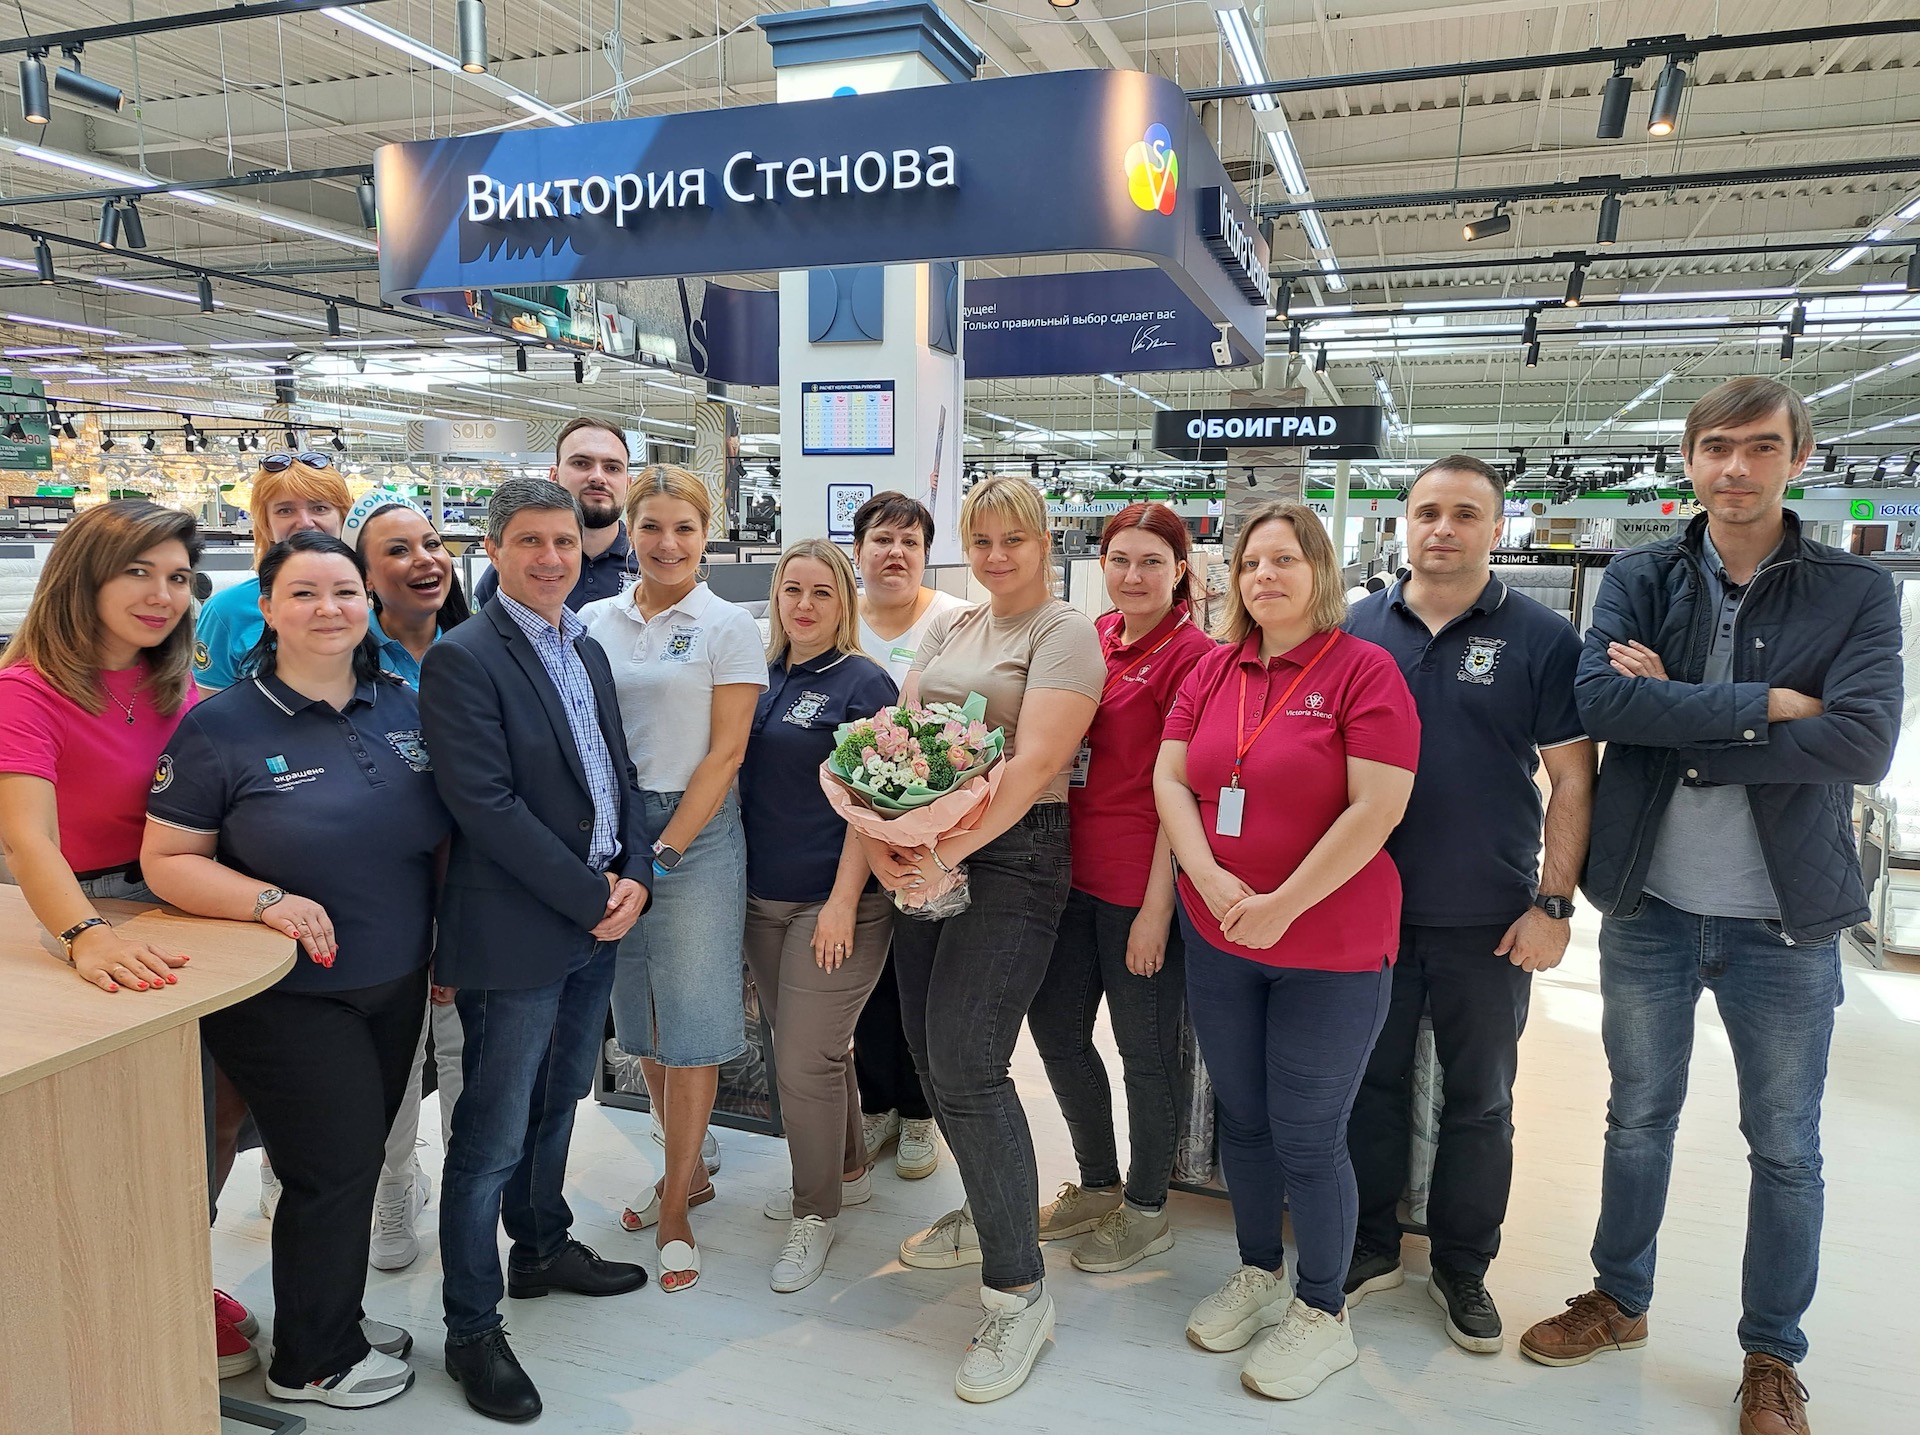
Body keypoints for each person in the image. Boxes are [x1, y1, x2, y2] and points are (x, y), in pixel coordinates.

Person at [1518, 377, 1901, 1435]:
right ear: (1689, 460)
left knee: (1785, 1143)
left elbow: (1863, 740)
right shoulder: (1641, 574)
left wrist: (1677, 715)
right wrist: (1770, 707)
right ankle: (1619, 1298)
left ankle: (1772, 1352)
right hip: (1650, 902)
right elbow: (1603, 701)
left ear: (1798, 459)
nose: (1737, 467)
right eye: (1718, 447)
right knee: (1637, 1116)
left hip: (1785, 917)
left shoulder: (1854, 591)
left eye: (1762, 446)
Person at [142, 530, 451, 1410]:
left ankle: (331, 1316)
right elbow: (167, 858)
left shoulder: (403, 706)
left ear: (368, 605)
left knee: (353, 1160)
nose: (329, 609)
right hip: (286, 992)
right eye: (304, 593)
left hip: (394, 978)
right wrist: (266, 898)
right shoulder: (222, 726)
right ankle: (312, 1361)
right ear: (267, 610)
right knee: (331, 1167)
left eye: (344, 592)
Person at [1153, 501, 1418, 1402]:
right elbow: (1170, 777)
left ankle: (1322, 1309)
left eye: (1285, 559)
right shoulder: (1213, 667)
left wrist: (1283, 904)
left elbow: (1378, 807)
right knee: (1244, 1117)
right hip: (1220, 933)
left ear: (1320, 572)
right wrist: (1209, 879)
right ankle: (1260, 1269)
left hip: (1331, 945)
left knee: (1309, 1131)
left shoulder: (1364, 670)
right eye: (1251, 561)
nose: (1265, 575)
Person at [0, 500, 265, 1377]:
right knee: (120, 1117)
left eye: (178, 577)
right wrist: (84, 933)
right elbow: (28, 839)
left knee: (214, 1106)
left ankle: (181, 1269)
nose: (162, 594)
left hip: (177, 897)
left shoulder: (172, 684)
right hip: (83, 903)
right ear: (83, 577)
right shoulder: (26, 689)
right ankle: (120, 1292)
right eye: (138, 572)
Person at [858, 475, 1105, 1404]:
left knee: (968, 1062)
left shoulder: (1063, 632)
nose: (998, 556)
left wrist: (940, 849)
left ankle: (1017, 1292)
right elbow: (902, 728)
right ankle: (990, 1208)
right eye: (984, 540)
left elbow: (1037, 763)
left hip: (1015, 855)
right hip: (934, 842)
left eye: (1015, 540)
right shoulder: (954, 625)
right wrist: (891, 831)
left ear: (1044, 543)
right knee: (930, 1053)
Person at [1343, 456, 1595, 1354]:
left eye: (1464, 513)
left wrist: (1553, 904)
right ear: (1404, 522)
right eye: (1427, 512)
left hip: (1490, 918)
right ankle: (1371, 1245)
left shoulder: (1541, 637)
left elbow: (1573, 778)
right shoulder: (1357, 626)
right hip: (1367, 910)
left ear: (1497, 526)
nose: (1442, 528)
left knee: (1480, 1100)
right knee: (1368, 1086)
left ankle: (1462, 1265)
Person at [419, 478, 653, 1423]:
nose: (551, 558)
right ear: (493, 548)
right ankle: (471, 1326)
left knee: (561, 1101)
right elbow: (485, 805)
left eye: (563, 540)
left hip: (597, 916)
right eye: (529, 541)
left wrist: (637, 872)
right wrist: (593, 896)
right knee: (489, 1137)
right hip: (520, 928)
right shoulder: (465, 657)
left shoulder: (582, 643)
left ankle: (542, 1246)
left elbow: (617, 772)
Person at [578, 465, 765, 1293]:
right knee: (642, 1020)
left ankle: (678, 1207)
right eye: (650, 526)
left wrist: (663, 856)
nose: (666, 543)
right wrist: (621, 851)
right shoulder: (595, 620)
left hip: (696, 829)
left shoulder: (728, 625)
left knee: (691, 1023)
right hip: (616, 828)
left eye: (683, 528)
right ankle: (683, 1170)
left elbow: (726, 754)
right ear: (630, 530)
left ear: (705, 534)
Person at [1025, 501, 1214, 1273]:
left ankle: (1146, 1207)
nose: (1134, 575)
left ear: (1180, 572)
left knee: (1146, 1054)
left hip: (1140, 887)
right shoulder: (1094, 636)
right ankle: (1099, 1182)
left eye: (1152, 562)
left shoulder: (1195, 657)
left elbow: (1185, 792)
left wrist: (1156, 909)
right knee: (1057, 1031)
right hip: (1067, 879)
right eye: (1120, 560)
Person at [739, 539, 900, 1293]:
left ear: (845, 602)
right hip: (760, 899)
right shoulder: (760, 676)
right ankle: (848, 1170)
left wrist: (841, 902)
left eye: (822, 592)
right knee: (809, 1054)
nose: (804, 605)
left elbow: (875, 805)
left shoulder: (864, 683)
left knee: (804, 1060)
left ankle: (815, 1212)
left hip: (836, 904)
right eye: (792, 590)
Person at [342, 489, 473, 1272]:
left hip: (476, 883)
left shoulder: (479, 646)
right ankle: (393, 1187)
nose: (424, 559)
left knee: (465, 1050)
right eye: (397, 550)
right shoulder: (345, 662)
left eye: (430, 542)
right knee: (394, 1056)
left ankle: (467, 1198)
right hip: (383, 891)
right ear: (363, 575)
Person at [848, 491, 969, 1179]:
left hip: (934, 835)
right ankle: (877, 1104)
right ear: (858, 549)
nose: (895, 553)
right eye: (881, 539)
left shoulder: (953, 618)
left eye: (910, 542)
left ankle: (921, 1113)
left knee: (919, 978)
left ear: (926, 554)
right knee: (865, 979)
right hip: (846, 833)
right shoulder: (838, 616)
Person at [193, 453, 352, 690]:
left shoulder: (375, 600)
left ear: (343, 518)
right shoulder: (226, 611)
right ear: (266, 524)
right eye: (285, 510)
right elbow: (212, 707)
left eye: (319, 508)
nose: (305, 522)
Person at [473, 416, 634, 611]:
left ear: (628, 484)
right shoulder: (513, 570)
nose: (598, 477)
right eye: (581, 463)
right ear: (554, 476)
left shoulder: (650, 565)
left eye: (612, 468)